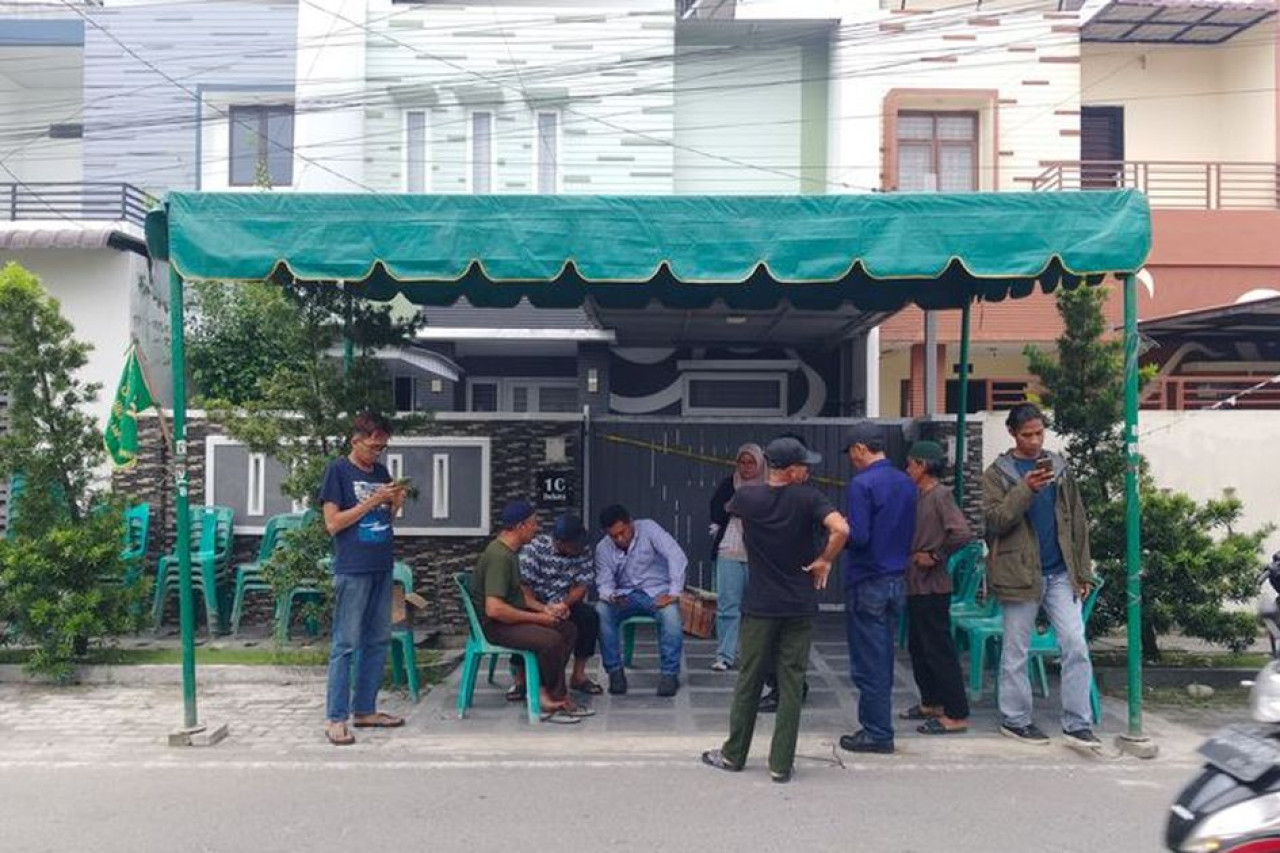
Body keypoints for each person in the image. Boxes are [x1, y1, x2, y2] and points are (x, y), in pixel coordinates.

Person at [701, 436, 849, 783]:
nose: (808, 470)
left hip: (761, 605)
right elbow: (841, 528)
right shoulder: (810, 498)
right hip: (799, 604)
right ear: (790, 470)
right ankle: (780, 764)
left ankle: (734, 754)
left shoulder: (746, 499)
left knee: (749, 680)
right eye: (803, 465)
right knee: (791, 682)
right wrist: (825, 560)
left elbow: (731, 512)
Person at [983, 403, 1100, 750]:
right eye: (1027, 435)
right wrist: (1026, 489)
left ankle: (1077, 723)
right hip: (1019, 574)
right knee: (1016, 651)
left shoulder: (1059, 468)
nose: (1034, 441)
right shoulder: (996, 474)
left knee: (1076, 645)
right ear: (1012, 433)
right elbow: (995, 522)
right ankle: (1016, 720)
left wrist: (1083, 571)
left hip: (1061, 572)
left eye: (1039, 433)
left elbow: (1077, 520)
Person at [319, 411, 408, 746]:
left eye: (382, 448)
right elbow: (333, 524)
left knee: (378, 639)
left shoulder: (381, 473)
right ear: (355, 441)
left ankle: (365, 709)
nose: (378, 453)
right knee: (346, 643)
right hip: (353, 567)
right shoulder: (338, 471)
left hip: (381, 564)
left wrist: (394, 503)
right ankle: (336, 717)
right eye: (373, 447)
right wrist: (373, 500)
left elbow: (386, 520)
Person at [470, 500, 591, 724]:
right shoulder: (499, 556)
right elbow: (495, 609)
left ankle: (543, 689)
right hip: (495, 626)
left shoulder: (510, 553)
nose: (537, 529)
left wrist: (547, 610)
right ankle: (552, 700)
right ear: (520, 526)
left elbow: (519, 597)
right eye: (533, 523)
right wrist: (540, 618)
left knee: (567, 629)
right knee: (551, 640)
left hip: (508, 619)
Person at [840, 422, 916, 755]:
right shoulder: (906, 481)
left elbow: (860, 537)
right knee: (883, 657)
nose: (851, 459)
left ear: (860, 448)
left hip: (867, 578)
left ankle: (877, 732)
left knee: (869, 661)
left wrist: (840, 529)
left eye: (851, 453)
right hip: (897, 578)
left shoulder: (861, 484)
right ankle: (877, 726)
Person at [902, 440, 972, 735]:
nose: (907, 469)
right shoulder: (919, 495)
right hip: (916, 584)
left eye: (910, 464)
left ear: (922, 465)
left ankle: (955, 713)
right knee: (919, 647)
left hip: (933, 586)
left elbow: (962, 533)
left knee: (938, 649)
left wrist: (935, 556)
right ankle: (931, 701)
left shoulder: (941, 495)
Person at [594, 504, 688, 697]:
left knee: (671, 615)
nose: (620, 539)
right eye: (614, 536)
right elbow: (604, 582)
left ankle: (670, 674)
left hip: (657, 593)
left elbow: (676, 555)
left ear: (631, 523)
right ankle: (615, 672)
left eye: (622, 532)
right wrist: (611, 596)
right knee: (601, 611)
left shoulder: (649, 528)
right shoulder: (603, 548)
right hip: (625, 595)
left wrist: (674, 592)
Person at [517, 513, 603, 697]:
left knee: (589, 617)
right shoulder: (534, 549)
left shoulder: (584, 550)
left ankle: (578, 676)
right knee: (523, 622)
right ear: (560, 542)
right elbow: (524, 588)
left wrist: (564, 604)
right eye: (574, 545)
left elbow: (582, 585)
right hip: (535, 602)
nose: (579, 548)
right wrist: (543, 609)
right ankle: (520, 680)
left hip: (565, 602)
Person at [707, 443, 767, 672]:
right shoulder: (728, 484)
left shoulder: (769, 486)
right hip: (729, 550)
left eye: (751, 462)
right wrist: (734, 508)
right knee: (727, 607)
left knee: (758, 608)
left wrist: (739, 508)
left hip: (759, 555)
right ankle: (725, 655)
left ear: (760, 463)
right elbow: (717, 511)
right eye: (742, 462)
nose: (746, 467)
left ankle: (755, 655)